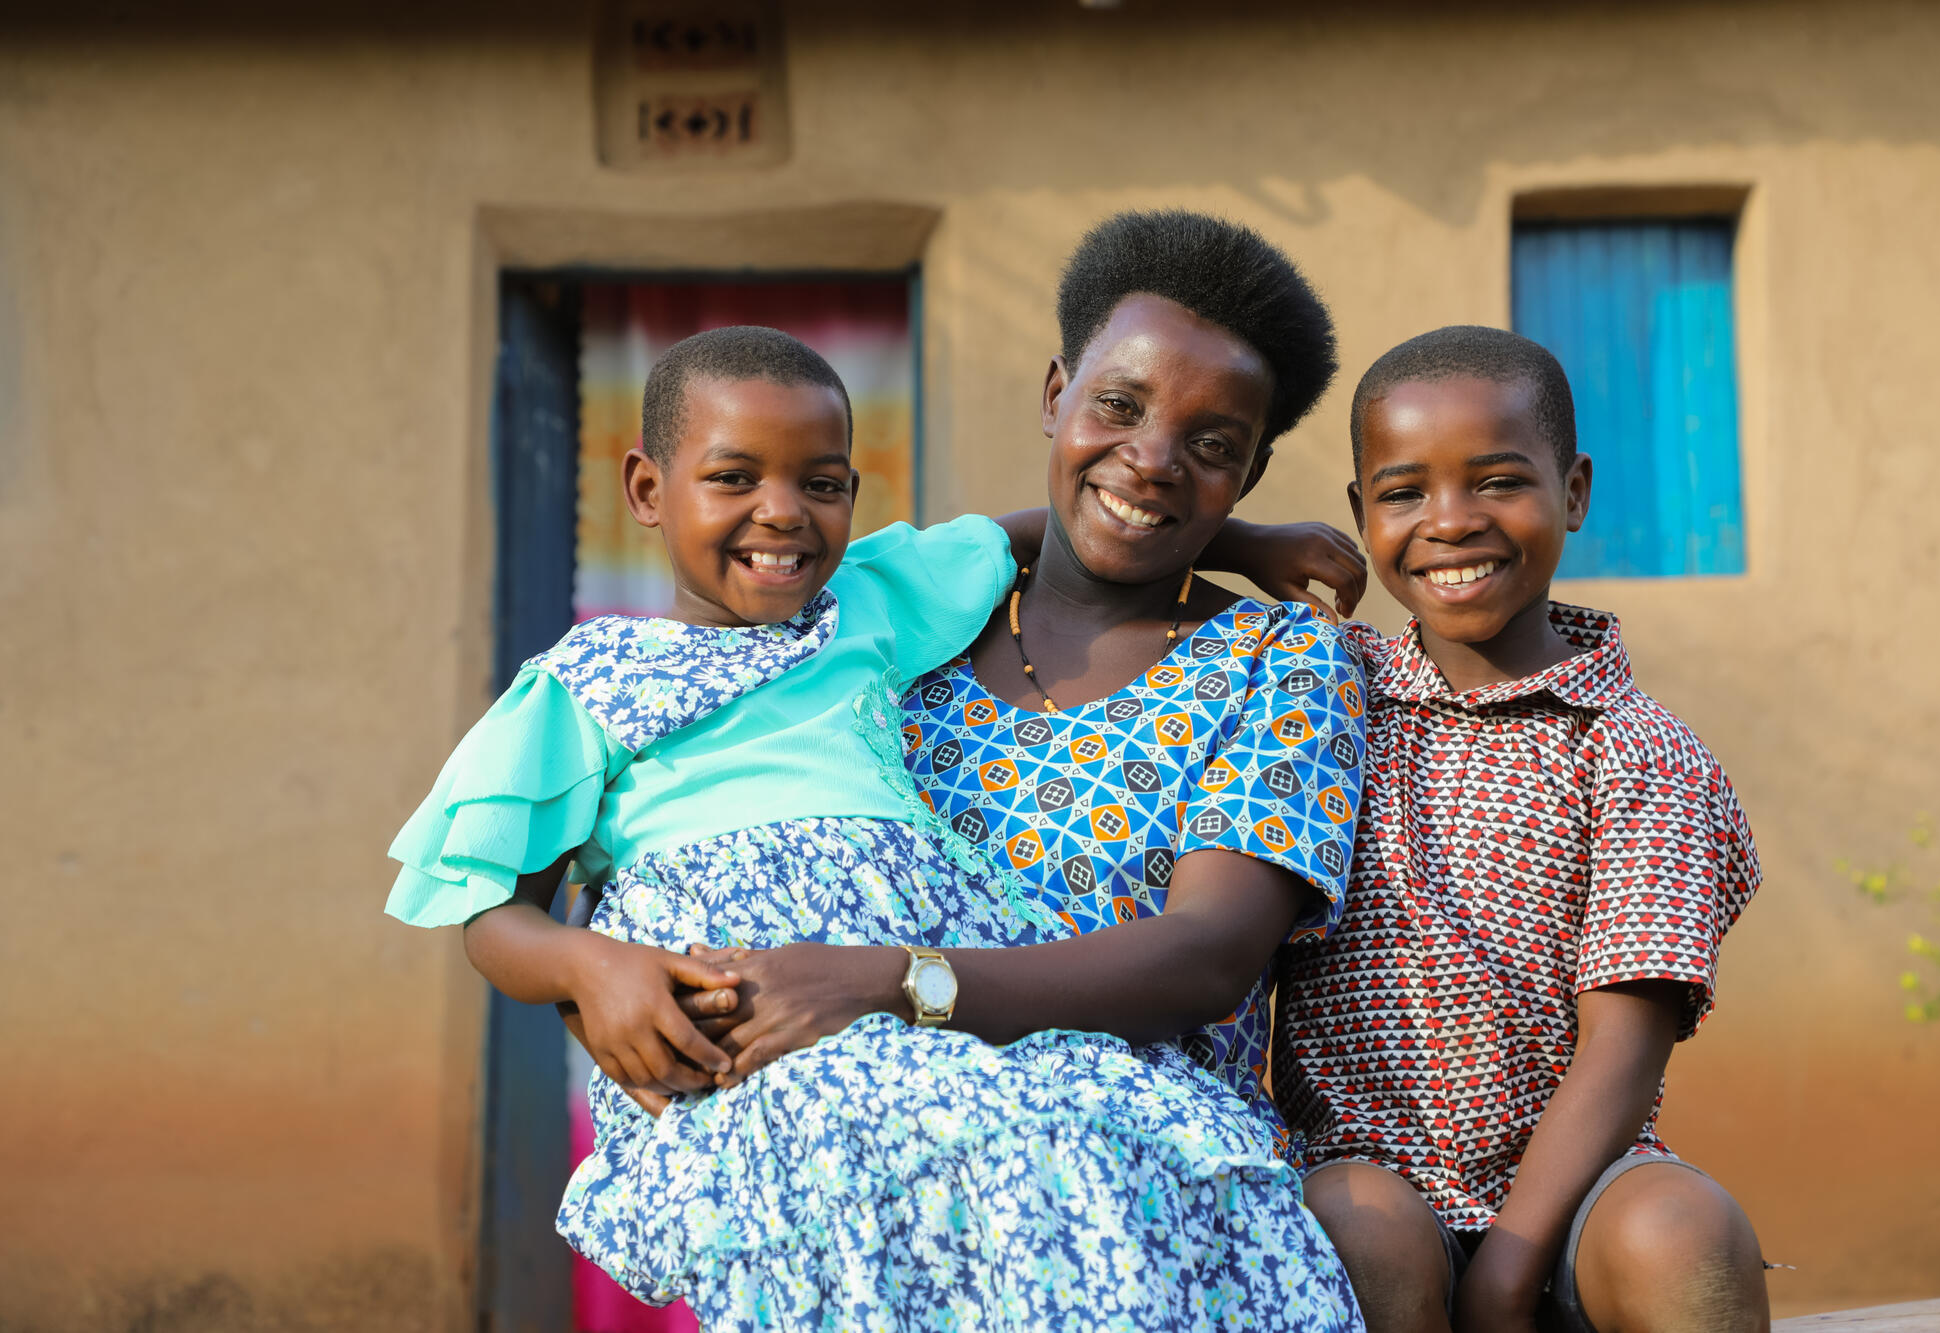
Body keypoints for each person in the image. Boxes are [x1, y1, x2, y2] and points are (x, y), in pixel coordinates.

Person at [385, 321, 1367, 1331]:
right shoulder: (580, 684)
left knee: (1082, 1137)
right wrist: (592, 968)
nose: (782, 511)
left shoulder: (863, 605)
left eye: (820, 483)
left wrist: (1238, 541)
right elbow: (491, 909)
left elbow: (1030, 534)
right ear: (645, 489)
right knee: (895, 1176)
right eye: (733, 478)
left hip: (927, 995)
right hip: (743, 1012)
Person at [679, 209, 1370, 1174]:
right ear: (1056, 394)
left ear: (1249, 474)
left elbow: (1207, 955)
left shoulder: (1280, 661)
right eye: (1119, 406)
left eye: (1212, 446)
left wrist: (894, 985)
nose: (1153, 458)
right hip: (849, 1144)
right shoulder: (899, 630)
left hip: (1145, 1168)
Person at [1273, 325, 1769, 1333]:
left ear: (1573, 491)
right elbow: (1123, 567)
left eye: (1497, 481)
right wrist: (1246, 543)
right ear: (1360, 514)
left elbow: (1626, 1040)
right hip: (1367, 1178)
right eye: (1403, 492)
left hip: (1577, 1193)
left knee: (1685, 1233)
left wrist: (1507, 1267)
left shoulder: (1640, 751)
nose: (1451, 522)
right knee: (1355, 1231)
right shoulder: (1323, 698)